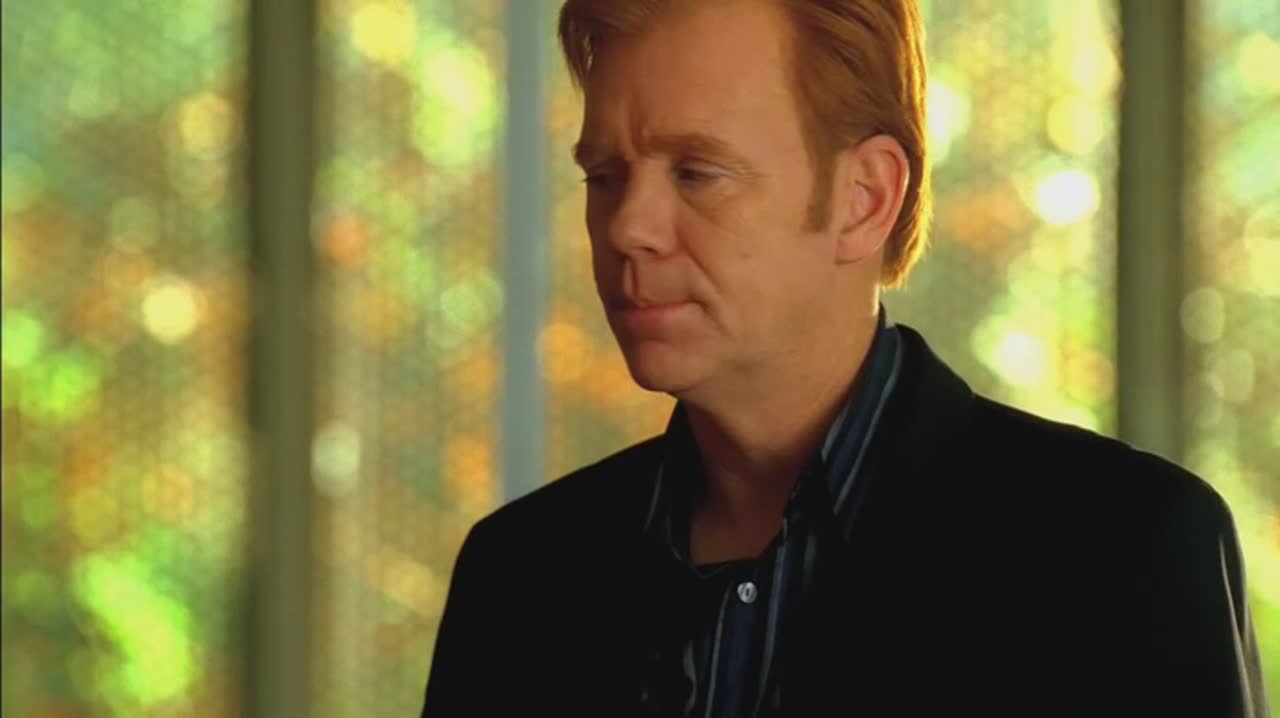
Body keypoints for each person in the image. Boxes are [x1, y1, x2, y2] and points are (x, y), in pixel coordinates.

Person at [421, 0, 1269, 715]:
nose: (627, 228)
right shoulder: (518, 580)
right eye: (605, 176)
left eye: (697, 172)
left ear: (866, 199)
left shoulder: (1125, 555)